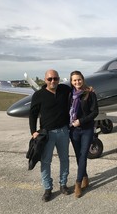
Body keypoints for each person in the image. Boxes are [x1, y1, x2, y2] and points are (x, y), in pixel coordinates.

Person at [29, 69, 71, 202]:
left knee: (64, 159)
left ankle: (63, 184)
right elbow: (33, 114)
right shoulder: (39, 95)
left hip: (63, 132)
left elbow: (78, 89)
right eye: (50, 79)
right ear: (45, 80)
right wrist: (33, 131)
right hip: (47, 134)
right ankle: (48, 188)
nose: (53, 81)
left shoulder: (65, 90)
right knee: (46, 161)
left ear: (59, 79)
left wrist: (89, 90)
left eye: (55, 78)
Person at [69, 70, 99, 198]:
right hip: (73, 130)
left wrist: (80, 121)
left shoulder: (89, 93)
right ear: (71, 82)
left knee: (83, 156)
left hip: (86, 129)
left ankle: (78, 183)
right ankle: (85, 177)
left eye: (79, 79)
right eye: (74, 80)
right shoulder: (69, 94)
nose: (77, 82)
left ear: (83, 79)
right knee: (78, 156)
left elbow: (95, 112)